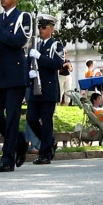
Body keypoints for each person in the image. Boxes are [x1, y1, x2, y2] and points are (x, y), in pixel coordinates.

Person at [0, 0, 32, 172]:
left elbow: (19, 41)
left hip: (14, 74)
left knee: (12, 117)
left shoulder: (23, 17)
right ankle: (19, 141)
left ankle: (7, 158)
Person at [27, 14, 65, 165]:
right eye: (39, 27)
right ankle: (49, 142)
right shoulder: (35, 45)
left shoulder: (56, 45)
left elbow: (58, 63)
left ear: (51, 28)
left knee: (46, 121)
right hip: (36, 87)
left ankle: (45, 154)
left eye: (43, 27)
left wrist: (40, 58)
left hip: (49, 88)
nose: (41, 30)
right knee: (31, 119)